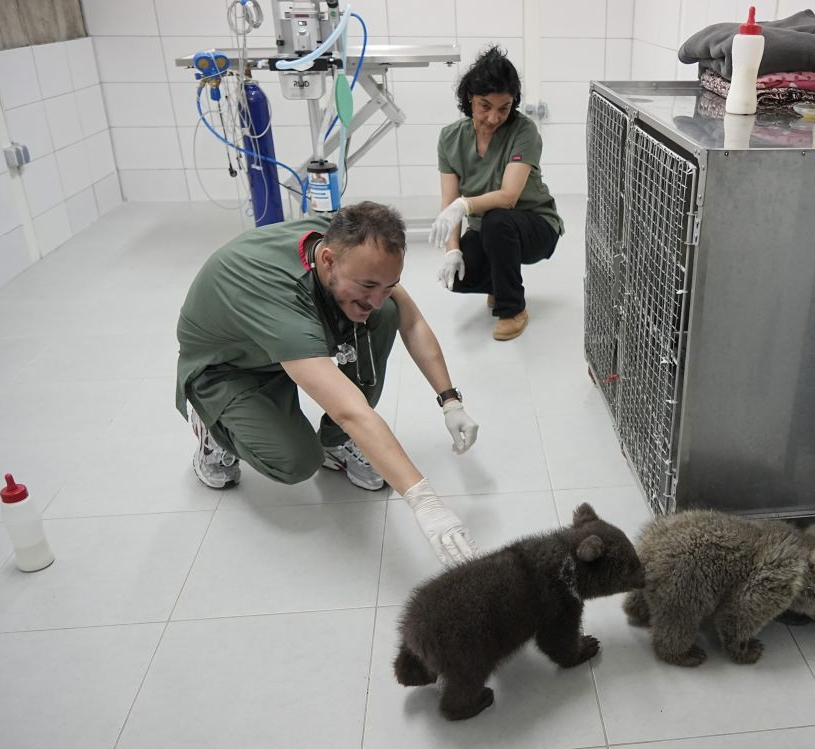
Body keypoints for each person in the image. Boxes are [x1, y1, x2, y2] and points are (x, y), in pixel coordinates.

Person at [175, 202, 479, 566]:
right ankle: (213, 428)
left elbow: (411, 321)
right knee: (297, 461)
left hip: (280, 341)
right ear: (328, 260)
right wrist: (424, 501)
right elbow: (350, 411)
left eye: (388, 285)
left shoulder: (347, 237)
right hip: (229, 367)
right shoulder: (279, 293)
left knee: (386, 313)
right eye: (368, 286)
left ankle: (337, 443)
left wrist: (450, 401)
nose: (376, 297)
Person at [430, 45, 564, 341]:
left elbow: (508, 197)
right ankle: (501, 284)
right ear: (470, 98)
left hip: (535, 225)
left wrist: (464, 205)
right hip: (490, 229)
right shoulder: (450, 138)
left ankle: (512, 309)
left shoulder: (524, 131)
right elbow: (449, 201)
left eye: (504, 108)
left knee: (497, 220)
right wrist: (452, 250)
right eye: (485, 106)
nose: (493, 117)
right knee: (459, 277)